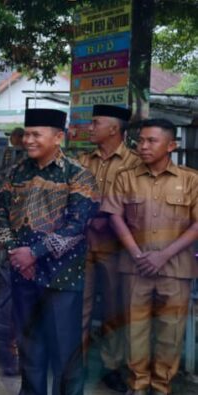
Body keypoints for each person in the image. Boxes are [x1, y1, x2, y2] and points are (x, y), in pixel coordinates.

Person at [0, 108, 98, 395]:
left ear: (58, 137)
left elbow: (78, 225)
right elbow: (1, 212)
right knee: (29, 349)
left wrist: (34, 253)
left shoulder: (78, 175)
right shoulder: (16, 172)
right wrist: (16, 252)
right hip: (23, 276)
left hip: (61, 279)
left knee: (65, 353)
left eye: (36, 134)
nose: (28, 140)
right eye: (26, 134)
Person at [102, 118, 198, 395]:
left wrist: (162, 256)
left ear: (171, 145)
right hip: (134, 267)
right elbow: (115, 217)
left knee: (171, 330)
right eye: (140, 140)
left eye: (151, 141)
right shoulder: (126, 178)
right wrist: (136, 253)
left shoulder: (191, 180)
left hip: (176, 268)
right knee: (135, 329)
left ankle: (161, 385)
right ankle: (138, 384)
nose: (142, 146)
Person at [75, 104, 140, 393]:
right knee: (79, 307)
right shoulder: (82, 160)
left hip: (118, 247)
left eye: (96, 123)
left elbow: (141, 203)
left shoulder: (136, 163)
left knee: (116, 310)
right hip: (82, 244)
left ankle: (112, 366)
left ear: (114, 129)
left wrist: (109, 217)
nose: (90, 127)